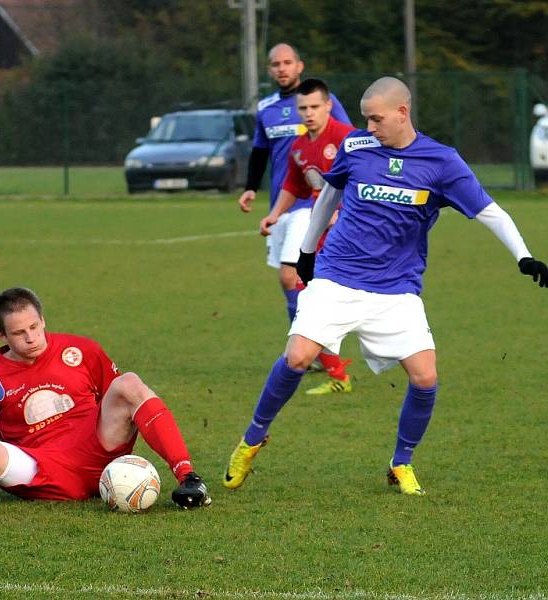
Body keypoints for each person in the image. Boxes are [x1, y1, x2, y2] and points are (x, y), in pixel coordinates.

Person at [224, 76, 548, 494]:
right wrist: (307, 252)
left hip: (396, 290)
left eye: (376, 119)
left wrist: (523, 256)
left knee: (426, 378)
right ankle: (252, 438)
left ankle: (401, 462)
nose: (369, 127)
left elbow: (491, 212)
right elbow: (328, 196)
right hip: (338, 275)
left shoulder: (442, 162)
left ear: (402, 113)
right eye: (365, 119)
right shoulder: (356, 148)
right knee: (297, 357)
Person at [0, 287, 211, 514]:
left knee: (129, 383)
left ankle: (189, 479)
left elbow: (120, 401)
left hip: (96, 449)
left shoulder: (81, 350)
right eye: (19, 333)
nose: (31, 337)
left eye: (34, 326)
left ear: (43, 320)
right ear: (2, 336)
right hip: (42, 467)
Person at [237, 44, 351, 329]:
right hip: (284, 199)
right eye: (276, 64)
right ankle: (307, 343)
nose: (282, 68)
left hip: (312, 204)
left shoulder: (323, 100)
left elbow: (350, 147)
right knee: (291, 279)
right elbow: (260, 151)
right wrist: (251, 187)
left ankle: (309, 345)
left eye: (288, 62)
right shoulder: (266, 108)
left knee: (292, 275)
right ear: (269, 70)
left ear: (299, 66)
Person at [256, 77, 356, 397]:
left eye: (315, 107)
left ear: (329, 106)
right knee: (308, 297)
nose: (309, 113)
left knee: (336, 302)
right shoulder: (299, 147)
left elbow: (366, 179)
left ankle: (343, 363)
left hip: (350, 235)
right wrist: (274, 214)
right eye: (303, 108)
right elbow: (294, 187)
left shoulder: (347, 139)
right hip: (319, 235)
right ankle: (338, 374)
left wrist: (346, 209)